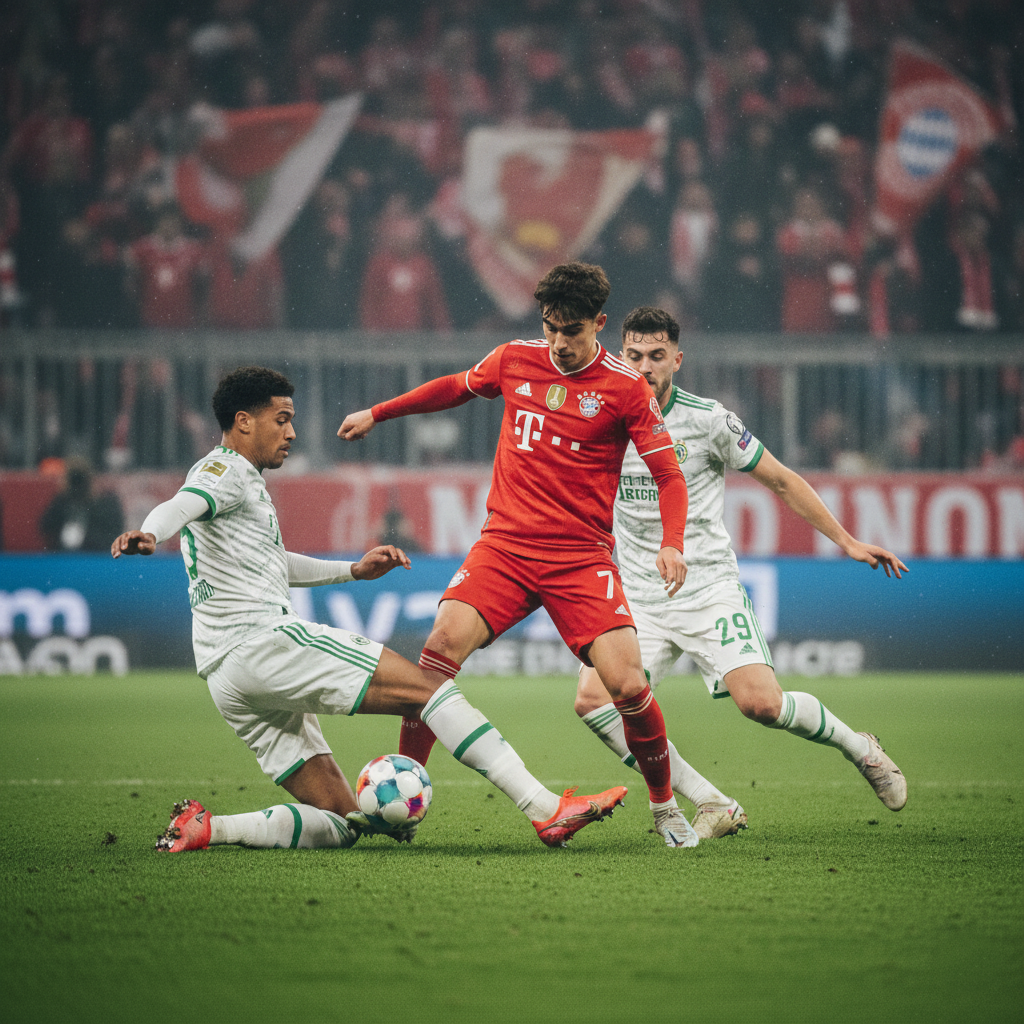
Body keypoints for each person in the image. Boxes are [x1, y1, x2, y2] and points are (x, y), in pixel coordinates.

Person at [111, 365, 626, 853]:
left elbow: (273, 562)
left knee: (342, 821)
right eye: (281, 420)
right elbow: (182, 503)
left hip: (226, 676)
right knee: (430, 690)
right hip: (263, 642)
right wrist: (152, 532)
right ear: (243, 422)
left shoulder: (238, 483)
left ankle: (209, 828)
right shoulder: (227, 471)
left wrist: (351, 571)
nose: (291, 433)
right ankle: (543, 808)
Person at [339, 262, 700, 848]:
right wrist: (379, 413)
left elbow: (668, 475)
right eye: (551, 327)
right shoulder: (514, 357)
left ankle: (666, 809)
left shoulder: (625, 388)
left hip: (580, 557)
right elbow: (456, 387)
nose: (559, 342)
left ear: (600, 324)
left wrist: (672, 543)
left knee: (629, 686)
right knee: (435, 654)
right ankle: (408, 797)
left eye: (573, 330)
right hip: (505, 547)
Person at [575, 306, 908, 840]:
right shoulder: (600, 421)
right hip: (637, 597)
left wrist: (845, 540)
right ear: (620, 356)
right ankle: (711, 801)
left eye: (656, 356)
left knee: (762, 704)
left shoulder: (708, 420)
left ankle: (860, 747)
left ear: (677, 361)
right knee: (593, 702)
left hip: (707, 588)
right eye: (634, 355)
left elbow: (779, 479)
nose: (644, 367)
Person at [41, 457, 124, 552]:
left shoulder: (105, 505)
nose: (78, 488)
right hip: (64, 555)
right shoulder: (61, 504)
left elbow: (114, 532)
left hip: (96, 554)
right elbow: (45, 527)